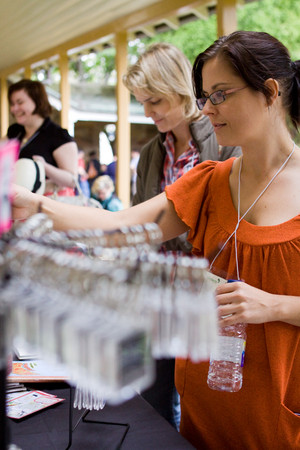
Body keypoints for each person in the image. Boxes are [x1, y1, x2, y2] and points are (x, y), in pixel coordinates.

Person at [12, 30, 300, 449]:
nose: (207, 109)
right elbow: (121, 229)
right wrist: (32, 206)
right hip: (203, 415)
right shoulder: (208, 180)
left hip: (277, 421)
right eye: (204, 97)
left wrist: (273, 305)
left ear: (270, 92)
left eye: (220, 95)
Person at [122, 42, 241, 429]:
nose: (148, 111)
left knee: (199, 407)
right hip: (157, 300)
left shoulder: (225, 142)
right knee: (152, 403)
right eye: (141, 102)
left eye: (154, 100)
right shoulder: (151, 153)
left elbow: (224, 222)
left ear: (178, 88)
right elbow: (143, 230)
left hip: (203, 302)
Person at [7, 79, 78, 196]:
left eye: (20, 103)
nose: (14, 109)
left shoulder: (58, 135)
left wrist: (44, 167)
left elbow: (72, 180)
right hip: (16, 204)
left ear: (37, 101)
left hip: (46, 205)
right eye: (12, 104)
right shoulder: (14, 131)